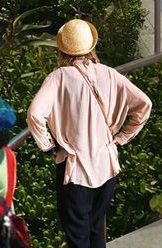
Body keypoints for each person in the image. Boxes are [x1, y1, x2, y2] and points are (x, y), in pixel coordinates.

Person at [28, 19, 153, 248]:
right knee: (96, 230)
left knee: (78, 237)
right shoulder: (109, 74)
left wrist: (48, 146)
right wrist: (122, 137)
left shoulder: (59, 78)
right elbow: (145, 104)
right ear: (91, 46)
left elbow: (35, 114)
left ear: (62, 49)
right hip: (106, 165)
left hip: (76, 169)